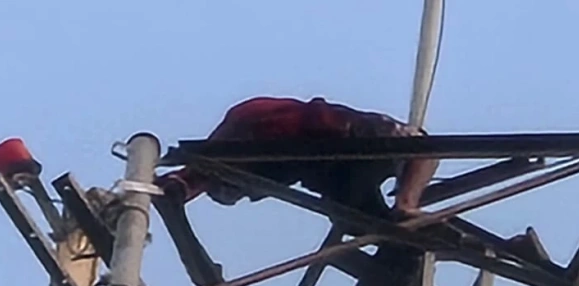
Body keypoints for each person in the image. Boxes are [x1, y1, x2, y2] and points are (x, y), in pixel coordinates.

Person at [159, 95, 437, 218]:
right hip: (327, 162)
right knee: (362, 216)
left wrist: (176, 186)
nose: (250, 197)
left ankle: (404, 206)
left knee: (421, 147)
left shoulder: (231, 149)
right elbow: (191, 178)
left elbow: (197, 173)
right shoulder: (235, 161)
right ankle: (401, 213)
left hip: (333, 137)